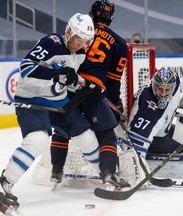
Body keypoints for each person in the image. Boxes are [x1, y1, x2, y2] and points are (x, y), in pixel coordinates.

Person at [0, 13, 96, 214]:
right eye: (79, 38)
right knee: (37, 140)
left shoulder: (80, 53)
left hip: (59, 105)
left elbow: (68, 78)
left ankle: (106, 175)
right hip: (33, 101)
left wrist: (84, 85)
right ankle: (5, 182)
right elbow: (26, 67)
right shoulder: (51, 43)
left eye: (85, 41)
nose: (81, 44)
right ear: (68, 32)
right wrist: (57, 75)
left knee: (87, 137)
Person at [49, 0, 130, 191]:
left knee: (62, 128)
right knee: (106, 134)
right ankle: (109, 174)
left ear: (92, 14)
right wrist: (115, 102)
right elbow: (113, 80)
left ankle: (56, 170)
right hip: (92, 92)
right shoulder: (119, 43)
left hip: (69, 88)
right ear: (111, 18)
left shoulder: (80, 31)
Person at [117, 68, 183, 186]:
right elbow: (137, 141)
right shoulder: (148, 108)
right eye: (160, 88)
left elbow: (172, 99)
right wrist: (136, 168)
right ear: (154, 85)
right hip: (152, 137)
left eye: (168, 89)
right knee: (180, 149)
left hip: (162, 130)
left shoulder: (175, 81)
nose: (163, 93)